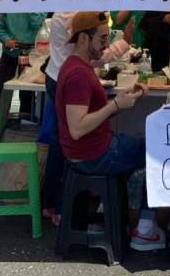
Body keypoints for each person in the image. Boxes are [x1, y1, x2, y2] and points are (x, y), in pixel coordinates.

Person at [56, 11, 165, 251]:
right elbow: (77, 128)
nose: (105, 45)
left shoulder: (78, 66)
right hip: (92, 154)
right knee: (157, 151)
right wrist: (116, 105)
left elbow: (90, 118)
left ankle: (106, 213)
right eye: (102, 39)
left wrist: (123, 102)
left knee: (140, 143)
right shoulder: (78, 74)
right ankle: (146, 230)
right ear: (84, 38)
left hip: (93, 147)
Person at [41, 11, 132, 225]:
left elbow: (94, 48)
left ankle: (59, 204)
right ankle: (63, 207)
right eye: (103, 38)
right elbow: (96, 52)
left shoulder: (68, 11)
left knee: (61, 143)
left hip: (58, 75)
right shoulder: (77, 19)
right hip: (87, 145)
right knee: (65, 144)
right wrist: (123, 44)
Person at [0, 12, 47, 113]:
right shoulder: (8, 3)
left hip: (32, 56)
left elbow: (37, 24)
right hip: (9, 54)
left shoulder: (41, 5)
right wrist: (6, 40)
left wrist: (30, 7)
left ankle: (26, 123)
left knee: (27, 97)